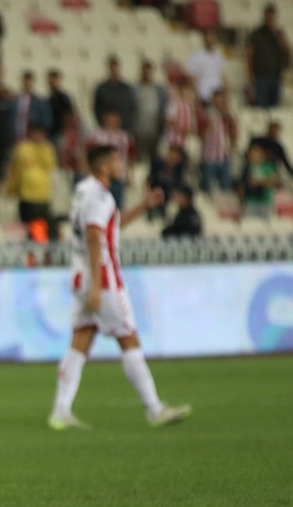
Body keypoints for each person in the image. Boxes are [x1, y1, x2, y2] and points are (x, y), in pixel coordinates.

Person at [48, 145, 191, 431]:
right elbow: (94, 234)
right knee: (129, 339)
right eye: (115, 160)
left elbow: (107, 227)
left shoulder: (83, 190)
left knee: (80, 341)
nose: (120, 164)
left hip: (81, 276)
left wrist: (142, 207)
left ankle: (60, 411)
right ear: (103, 166)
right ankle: (154, 409)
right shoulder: (100, 195)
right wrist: (98, 286)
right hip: (103, 278)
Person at [247, 4, 290, 109]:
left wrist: (276, 34)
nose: (270, 19)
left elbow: (287, 49)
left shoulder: (279, 33)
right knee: (261, 106)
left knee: (275, 107)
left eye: (272, 16)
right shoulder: (257, 33)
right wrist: (250, 73)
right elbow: (249, 54)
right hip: (261, 75)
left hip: (276, 74)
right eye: (268, 16)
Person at [185, 29, 227, 103]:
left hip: (217, 97)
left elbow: (223, 76)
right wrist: (196, 96)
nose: (210, 40)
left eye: (212, 37)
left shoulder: (219, 56)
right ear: (204, 39)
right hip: (204, 96)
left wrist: (225, 95)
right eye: (208, 37)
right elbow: (192, 78)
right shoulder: (196, 56)